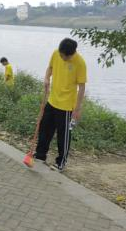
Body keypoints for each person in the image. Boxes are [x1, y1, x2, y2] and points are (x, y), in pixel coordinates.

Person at [33, 38, 87, 171]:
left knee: (63, 136)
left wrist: (77, 108)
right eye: (61, 54)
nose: (61, 57)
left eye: (64, 56)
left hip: (67, 106)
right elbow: (50, 68)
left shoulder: (80, 63)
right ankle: (40, 155)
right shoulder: (56, 53)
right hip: (52, 100)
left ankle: (61, 162)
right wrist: (46, 78)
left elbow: (81, 87)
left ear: (71, 53)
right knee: (45, 129)